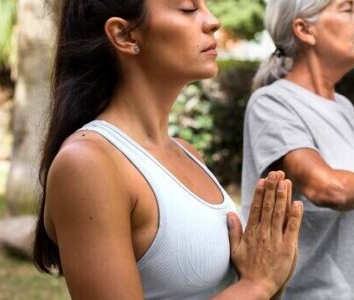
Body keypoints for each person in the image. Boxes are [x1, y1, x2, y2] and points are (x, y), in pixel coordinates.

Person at [32, 1, 304, 299]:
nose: (213, 21)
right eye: (188, 9)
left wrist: (268, 272)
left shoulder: (188, 154)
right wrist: (256, 285)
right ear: (126, 36)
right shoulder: (88, 164)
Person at [241, 0, 354, 299]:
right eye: (347, 8)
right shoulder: (272, 104)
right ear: (304, 29)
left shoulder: (343, 108)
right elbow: (328, 188)